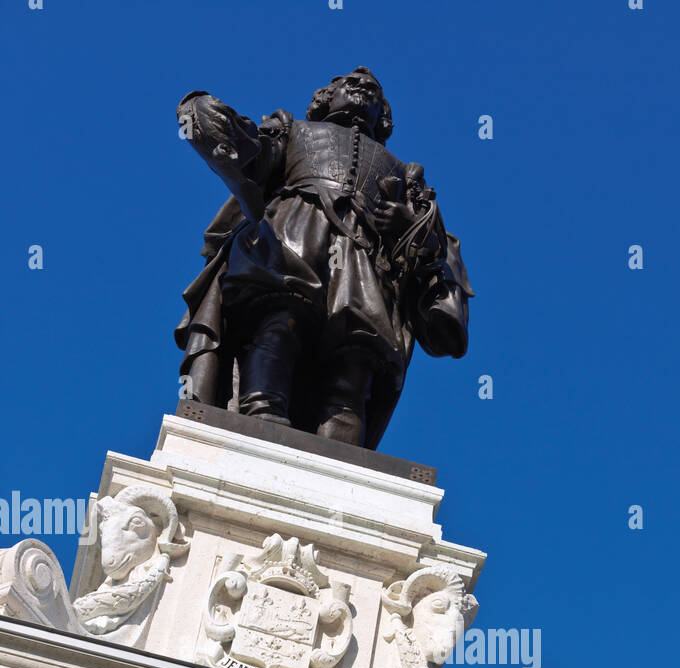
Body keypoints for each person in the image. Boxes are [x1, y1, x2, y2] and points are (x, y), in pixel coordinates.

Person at [176, 68, 472, 447]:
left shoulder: (404, 171)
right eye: (351, 85)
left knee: (356, 360)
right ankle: (262, 415)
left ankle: (341, 452)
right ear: (324, 97)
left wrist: (408, 224)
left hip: (364, 263)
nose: (363, 89)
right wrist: (210, 118)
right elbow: (253, 157)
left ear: (384, 115)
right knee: (279, 325)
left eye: (374, 92)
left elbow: (430, 244)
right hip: (295, 235)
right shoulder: (293, 129)